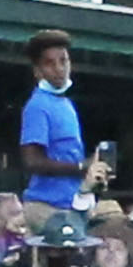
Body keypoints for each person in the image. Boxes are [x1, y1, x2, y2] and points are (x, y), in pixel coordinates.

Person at [14, 31, 109, 223]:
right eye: (50, 63)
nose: (59, 69)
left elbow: (69, 157)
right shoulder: (37, 106)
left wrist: (93, 166)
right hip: (47, 207)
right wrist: (81, 167)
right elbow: (32, 161)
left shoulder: (66, 104)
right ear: (37, 71)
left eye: (64, 61)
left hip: (72, 203)